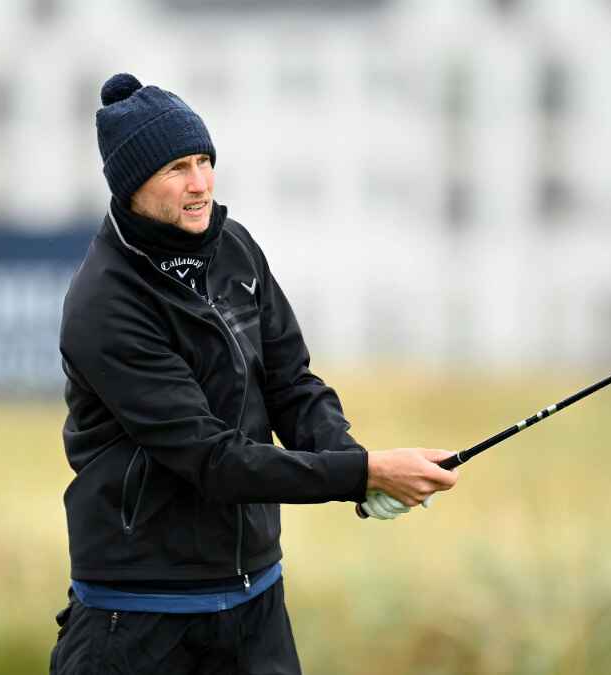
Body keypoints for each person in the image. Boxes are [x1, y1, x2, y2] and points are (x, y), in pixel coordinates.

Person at [50, 72, 458, 675]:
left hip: (253, 605)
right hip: (137, 618)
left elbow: (292, 384)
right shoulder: (105, 304)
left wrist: (352, 462)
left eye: (204, 161)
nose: (200, 184)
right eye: (176, 169)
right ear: (133, 186)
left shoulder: (235, 249)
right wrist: (364, 472)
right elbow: (212, 460)